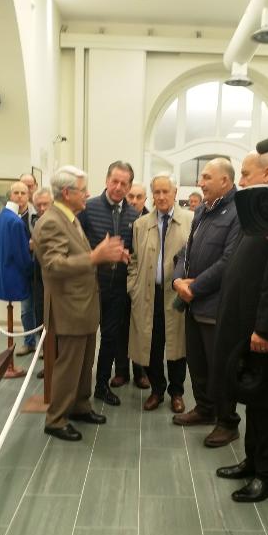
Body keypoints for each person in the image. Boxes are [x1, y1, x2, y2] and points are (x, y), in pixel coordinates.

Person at [212, 151, 268, 502]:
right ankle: (252, 461)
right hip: (249, 329)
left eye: (247, 174)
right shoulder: (260, 211)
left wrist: (266, 328)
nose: (242, 181)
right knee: (253, 400)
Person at [32, 165, 127, 442]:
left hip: (83, 306)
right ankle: (56, 418)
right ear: (67, 192)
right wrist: (95, 257)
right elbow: (53, 265)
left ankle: (80, 406)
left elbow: (78, 258)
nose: (87, 194)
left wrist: (108, 257)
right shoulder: (52, 221)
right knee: (68, 366)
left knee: (85, 364)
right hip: (68, 308)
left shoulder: (71, 218)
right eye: (83, 190)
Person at [172, 157, 242, 429]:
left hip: (216, 307)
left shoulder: (238, 213)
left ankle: (226, 423)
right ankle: (204, 409)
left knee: (220, 368)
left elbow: (229, 262)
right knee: (198, 364)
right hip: (192, 303)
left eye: (207, 178)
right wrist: (178, 280)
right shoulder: (202, 211)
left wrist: (194, 287)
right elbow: (186, 252)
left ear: (225, 181)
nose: (200, 183)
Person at [128, 174, 193, 413]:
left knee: (177, 345)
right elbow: (133, 260)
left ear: (175, 193)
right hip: (148, 294)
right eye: (157, 192)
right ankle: (157, 390)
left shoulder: (191, 220)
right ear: (152, 195)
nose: (162, 196)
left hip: (177, 296)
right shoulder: (141, 224)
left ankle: (176, 392)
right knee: (152, 345)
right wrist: (132, 286)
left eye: (166, 191)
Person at [78, 161, 139, 406]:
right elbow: (77, 245)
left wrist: (128, 255)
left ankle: (102, 385)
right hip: (90, 287)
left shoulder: (135, 215)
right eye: (114, 181)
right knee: (86, 338)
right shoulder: (87, 208)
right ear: (106, 180)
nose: (118, 187)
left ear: (130, 186)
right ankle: (81, 388)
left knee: (111, 338)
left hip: (118, 289)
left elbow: (135, 251)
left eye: (124, 183)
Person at [111, 182, 150, 389]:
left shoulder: (151, 222)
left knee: (140, 329)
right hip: (119, 285)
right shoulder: (119, 218)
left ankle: (141, 372)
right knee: (120, 329)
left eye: (139, 197)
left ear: (145, 199)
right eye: (131, 197)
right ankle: (121, 371)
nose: (134, 201)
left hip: (142, 285)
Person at [0, 181, 32, 303]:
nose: (19, 196)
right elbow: (22, 257)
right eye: (16, 192)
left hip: (2, 278)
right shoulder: (16, 222)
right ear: (10, 195)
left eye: (23, 193)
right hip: (14, 279)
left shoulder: (2, 217)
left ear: (28, 196)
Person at [31, 187, 53, 380]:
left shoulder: (59, 224)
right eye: (39, 205)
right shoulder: (35, 223)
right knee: (41, 322)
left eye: (46, 204)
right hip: (38, 283)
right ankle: (48, 363)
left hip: (56, 285)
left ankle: (57, 365)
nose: (42, 207)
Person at [16, 172, 39, 356]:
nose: (26, 190)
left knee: (40, 308)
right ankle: (29, 342)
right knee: (25, 309)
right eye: (23, 186)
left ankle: (41, 345)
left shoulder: (39, 211)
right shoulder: (11, 214)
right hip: (22, 269)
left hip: (39, 268)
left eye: (30, 186)